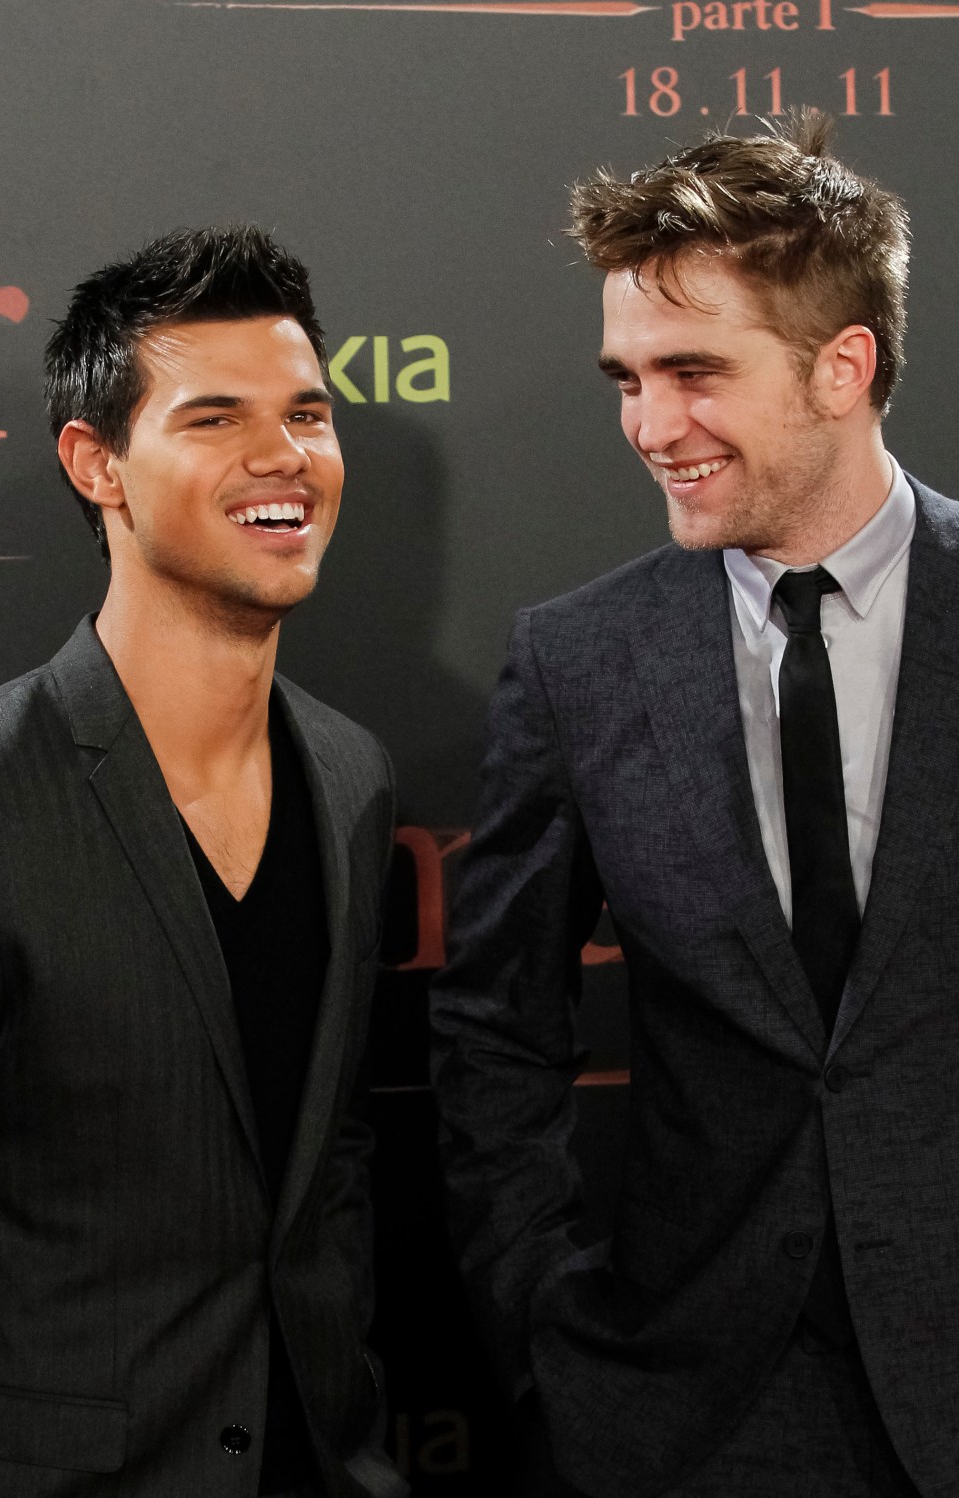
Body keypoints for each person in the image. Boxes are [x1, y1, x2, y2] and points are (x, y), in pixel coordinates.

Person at [431, 114, 957, 1497]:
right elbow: (496, 1027)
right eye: (629, 378)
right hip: (689, 1406)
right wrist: (544, 1324)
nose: (651, 427)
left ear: (843, 367)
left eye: (694, 372)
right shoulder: (579, 659)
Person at [0, 225, 406, 1498]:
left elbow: (329, 1164)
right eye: (215, 419)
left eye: (307, 414)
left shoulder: (352, 775)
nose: (285, 456)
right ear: (95, 462)